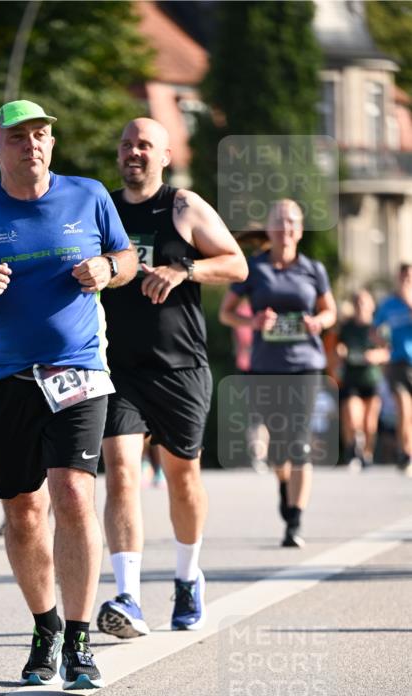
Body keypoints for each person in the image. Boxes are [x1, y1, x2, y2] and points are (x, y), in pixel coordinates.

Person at [0, 99, 137, 691]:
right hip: (7, 378)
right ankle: (44, 625)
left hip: (80, 372)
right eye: (18, 138)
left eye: (41, 135)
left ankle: (78, 638)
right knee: (23, 511)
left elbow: (125, 257)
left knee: (72, 493)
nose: (33, 145)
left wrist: (108, 270)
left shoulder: (89, 195)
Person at [97, 117, 247, 639]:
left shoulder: (183, 206)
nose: (132, 152)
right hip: (117, 366)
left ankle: (187, 578)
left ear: (163, 156)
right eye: (125, 145)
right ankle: (128, 596)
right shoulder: (103, 209)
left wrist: (185, 269)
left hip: (180, 365)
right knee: (120, 472)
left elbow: (236, 263)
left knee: (182, 477)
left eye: (144, 145)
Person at [219, 199, 337, 547]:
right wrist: (251, 321)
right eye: (279, 221)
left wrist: (318, 322)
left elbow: (329, 311)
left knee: (299, 442)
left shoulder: (313, 269)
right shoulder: (253, 269)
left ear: (299, 230)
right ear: (269, 229)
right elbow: (227, 313)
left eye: (292, 222)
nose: (285, 228)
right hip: (265, 366)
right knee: (276, 449)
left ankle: (294, 522)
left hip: (306, 364)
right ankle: (285, 485)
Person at [335, 290, 387, 470]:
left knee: (369, 422)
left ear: (372, 305)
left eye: (364, 302)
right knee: (352, 414)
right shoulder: (347, 327)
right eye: (357, 302)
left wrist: (376, 355)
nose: (361, 306)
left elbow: (388, 351)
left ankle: (367, 454)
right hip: (351, 378)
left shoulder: (377, 327)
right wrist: (341, 352)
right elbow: (339, 346)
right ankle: (352, 448)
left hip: (371, 379)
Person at [374, 263, 412, 475]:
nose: (407, 280)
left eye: (410, 276)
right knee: (404, 408)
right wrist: (381, 341)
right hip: (397, 362)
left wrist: (408, 301)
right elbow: (374, 330)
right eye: (404, 276)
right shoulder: (388, 304)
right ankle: (405, 452)